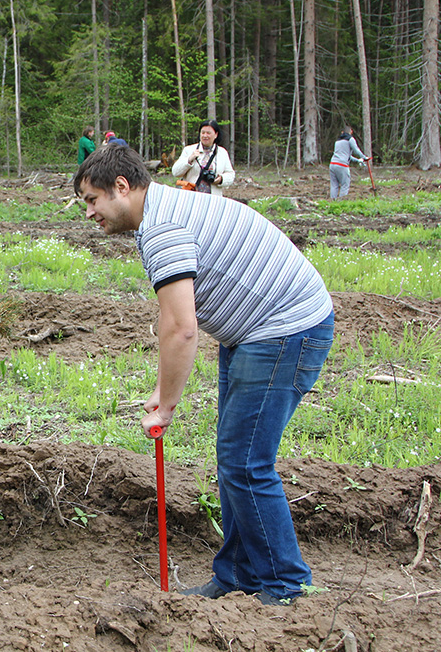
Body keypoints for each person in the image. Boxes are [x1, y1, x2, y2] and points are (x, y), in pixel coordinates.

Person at [75, 144, 334, 606]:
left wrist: (166, 403)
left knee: (245, 463)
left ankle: (287, 587)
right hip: (255, 332)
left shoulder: (162, 228)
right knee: (235, 458)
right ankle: (238, 574)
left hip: (284, 329)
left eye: (92, 200)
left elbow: (180, 329)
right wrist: (161, 389)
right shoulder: (160, 211)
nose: (89, 212)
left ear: (120, 187)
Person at [172, 119, 235, 197]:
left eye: (208, 133)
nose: (205, 135)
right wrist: (189, 160)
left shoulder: (222, 153)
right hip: (191, 197)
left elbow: (231, 175)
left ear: (216, 134)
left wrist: (221, 179)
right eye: (203, 132)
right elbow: (175, 172)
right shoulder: (189, 150)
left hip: (213, 198)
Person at [329, 126, 369, 200]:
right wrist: (364, 157)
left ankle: (332, 202)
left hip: (332, 164)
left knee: (334, 185)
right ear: (351, 132)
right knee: (345, 185)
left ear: (342, 132)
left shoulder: (337, 141)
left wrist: (358, 160)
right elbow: (356, 150)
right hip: (342, 165)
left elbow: (348, 155)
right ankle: (341, 203)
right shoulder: (350, 139)